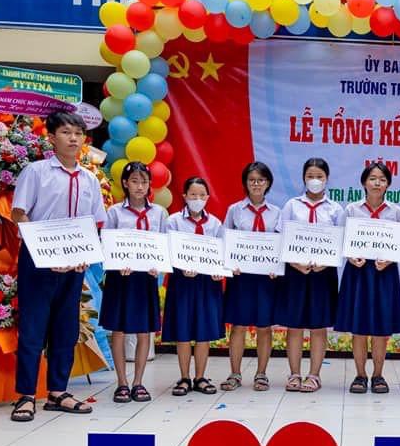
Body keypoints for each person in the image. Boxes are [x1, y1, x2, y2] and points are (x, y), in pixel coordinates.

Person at [10, 111, 107, 422]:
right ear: (51, 137)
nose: (73, 138)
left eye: (78, 133)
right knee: (33, 328)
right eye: (66, 132)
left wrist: (85, 252)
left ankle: (58, 392)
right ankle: (26, 395)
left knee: (66, 328)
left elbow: (95, 222)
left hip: (75, 263)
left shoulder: (90, 179)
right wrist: (45, 250)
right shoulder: (36, 172)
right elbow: (19, 213)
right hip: (39, 262)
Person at [274, 158, 345, 393]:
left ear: (327, 179)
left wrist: (325, 263)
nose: (315, 180)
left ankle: (314, 375)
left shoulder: (335, 209)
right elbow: (281, 238)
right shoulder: (291, 205)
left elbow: (341, 242)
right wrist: (295, 262)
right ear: (304, 178)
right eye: (310, 176)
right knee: (294, 326)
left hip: (323, 274)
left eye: (319, 176)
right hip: (295, 272)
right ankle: (294, 374)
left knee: (318, 326)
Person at [99, 161, 167, 404]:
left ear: (150, 185)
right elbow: (107, 243)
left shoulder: (158, 213)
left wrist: (158, 264)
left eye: (144, 182)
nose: (139, 186)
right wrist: (116, 263)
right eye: (135, 181)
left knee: (143, 330)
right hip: (120, 278)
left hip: (145, 278)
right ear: (125, 184)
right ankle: (122, 383)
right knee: (118, 329)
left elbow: (164, 244)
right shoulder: (114, 212)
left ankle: (138, 382)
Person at [335, 162, 400, 394]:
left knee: (380, 328)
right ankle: (360, 375)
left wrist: (390, 259)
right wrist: (350, 256)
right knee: (359, 327)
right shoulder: (351, 210)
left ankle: (378, 375)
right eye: (373, 178)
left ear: (388, 184)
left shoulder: (395, 212)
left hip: (384, 274)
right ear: (364, 182)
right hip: (358, 272)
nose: (377, 183)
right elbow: (340, 239)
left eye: (382, 179)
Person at [162, 177, 224, 396]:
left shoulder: (215, 224)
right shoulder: (173, 221)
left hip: (207, 283)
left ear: (207, 197)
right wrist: (180, 267)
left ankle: (200, 377)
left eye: (201, 195)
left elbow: (221, 252)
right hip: (182, 282)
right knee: (183, 330)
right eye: (193, 195)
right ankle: (184, 377)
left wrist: (219, 270)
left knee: (203, 331)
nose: (197, 199)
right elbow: (168, 251)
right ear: (185, 196)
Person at [222, 162, 280, 392]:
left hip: (267, 279)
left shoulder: (277, 212)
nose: (256, 184)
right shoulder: (234, 210)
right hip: (241, 277)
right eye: (252, 180)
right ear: (245, 183)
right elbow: (225, 241)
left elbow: (281, 244)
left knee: (265, 326)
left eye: (261, 180)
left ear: (268, 183)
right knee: (239, 325)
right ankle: (235, 373)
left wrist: (278, 265)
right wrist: (230, 264)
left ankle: (261, 374)